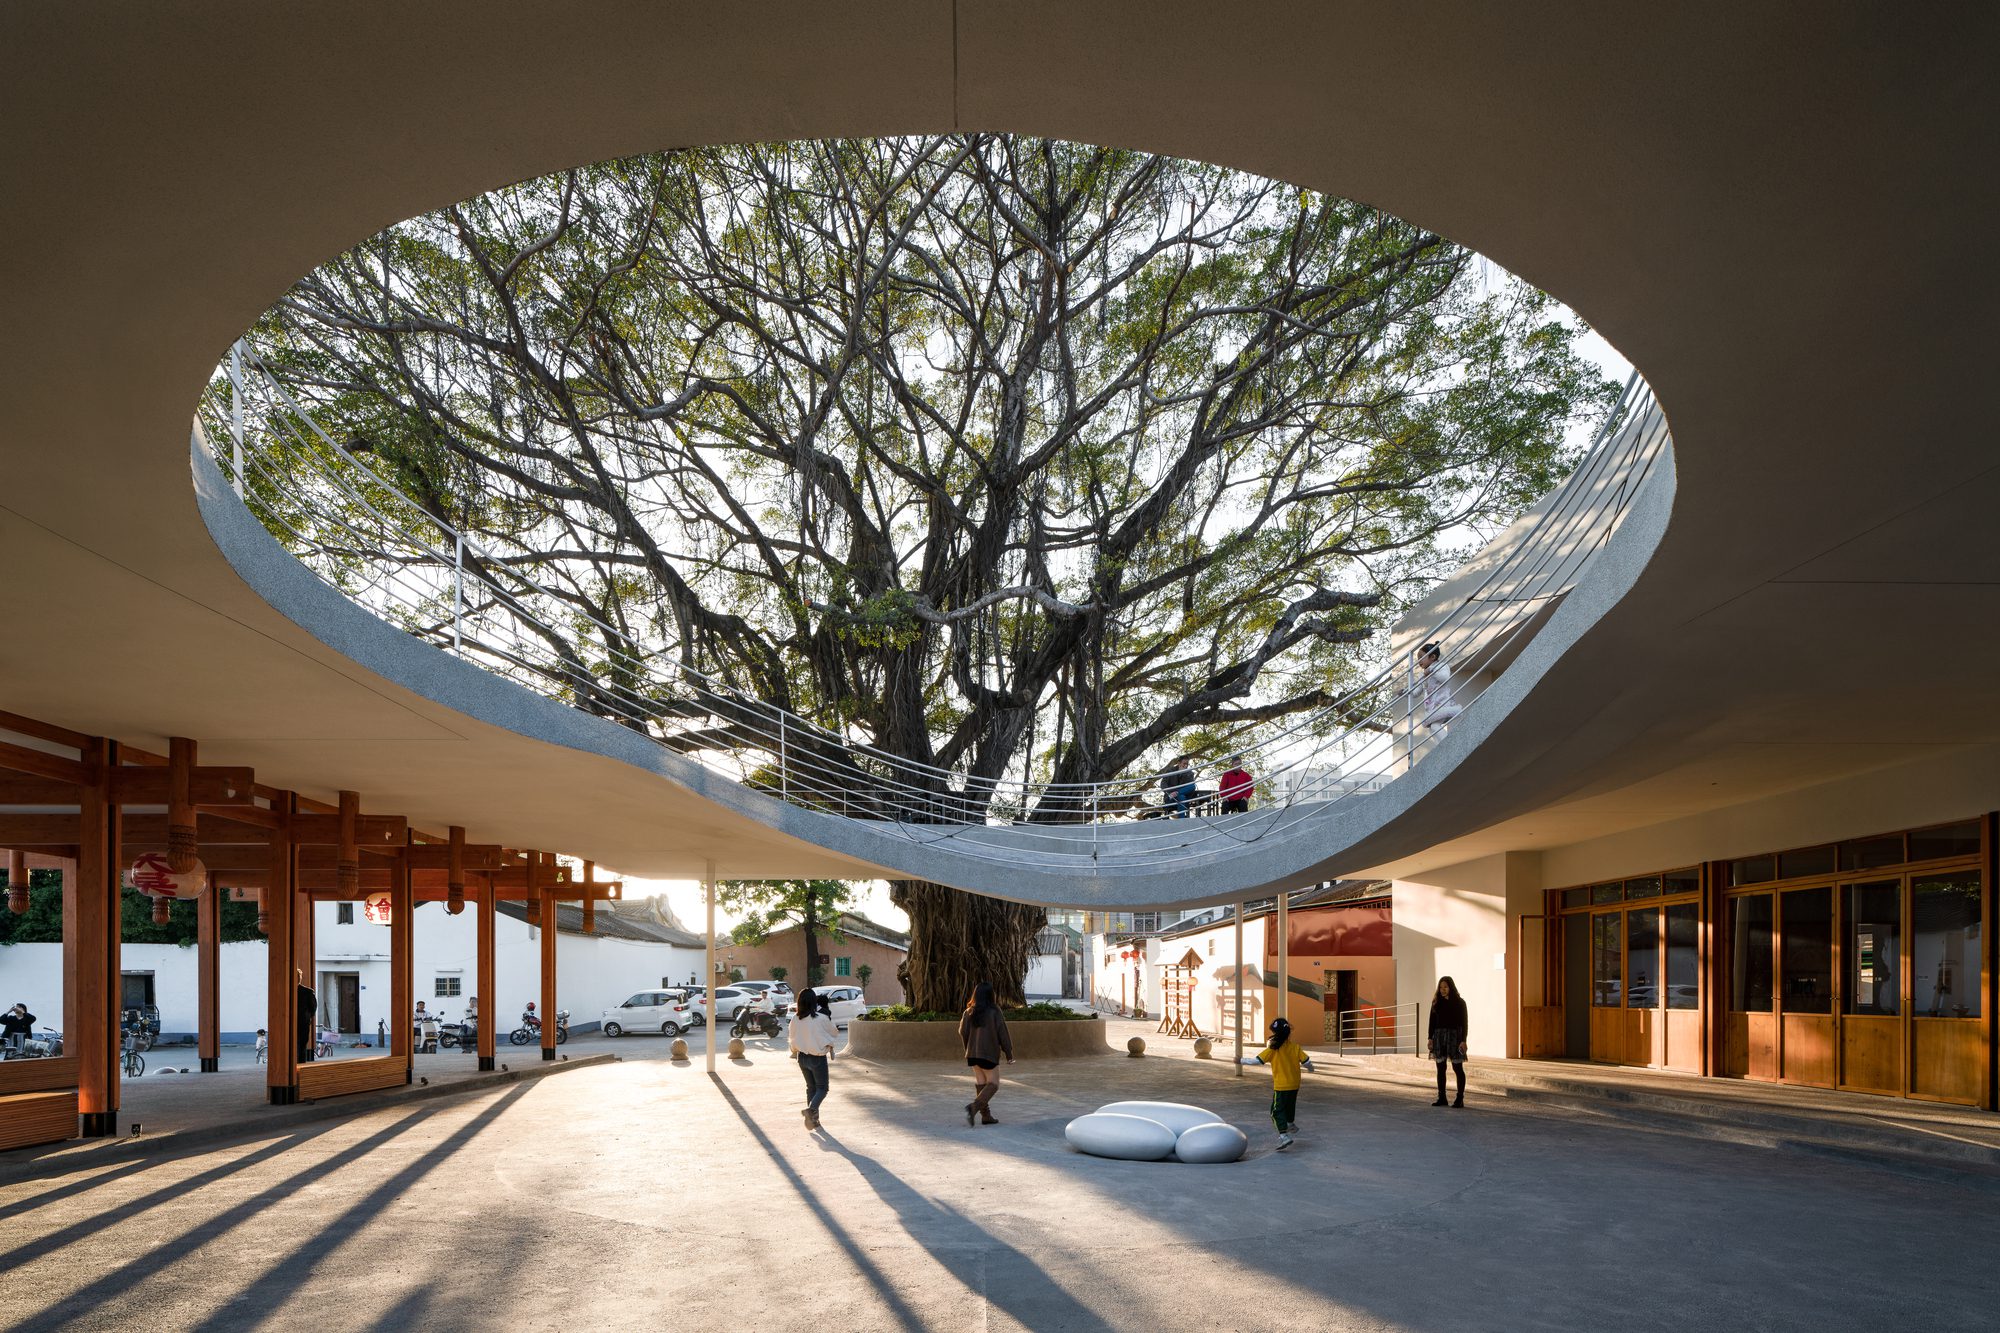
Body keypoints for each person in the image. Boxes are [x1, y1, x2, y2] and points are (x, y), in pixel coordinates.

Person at [1240, 1015, 1315, 1149]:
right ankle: (1291, 1123)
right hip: (1295, 1083)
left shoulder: (1273, 1050)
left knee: (1276, 1111)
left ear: (1275, 1034)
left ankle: (1284, 1136)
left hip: (1281, 1086)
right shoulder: (1295, 1047)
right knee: (1290, 1105)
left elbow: (1257, 1061)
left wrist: (1241, 1060)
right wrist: (1311, 1069)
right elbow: (1307, 1062)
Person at [957, 982, 1014, 1126]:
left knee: (981, 1084)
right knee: (993, 1084)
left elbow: (963, 1032)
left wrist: (968, 1049)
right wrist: (1008, 1053)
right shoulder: (994, 1011)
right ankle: (974, 1107)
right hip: (988, 1053)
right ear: (990, 995)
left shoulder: (968, 1012)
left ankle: (986, 1116)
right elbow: (1003, 1033)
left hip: (972, 1054)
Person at [788, 988, 840, 1130]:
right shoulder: (820, 1018)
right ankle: (811, 1111)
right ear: (814, 1002)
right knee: (822, 1088)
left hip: (801, 1057)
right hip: (817, 1058)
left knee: (811, 1088)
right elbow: (834, 1032)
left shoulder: (794, 1018)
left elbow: (791, 1037)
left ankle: (813, 1121)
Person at [1429, 975, 1468, 1107]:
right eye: (1440, 987)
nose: (1443, 990)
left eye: (1445, 987)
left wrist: (1463, 1040)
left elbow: (1464, 1023)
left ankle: (1459, 1099)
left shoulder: (1460, 1003)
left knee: (1457, 1068)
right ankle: (1442, 1097)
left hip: (1455, 1037)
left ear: (1451, 987)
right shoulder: (1436, 1002)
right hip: (1439, 1037)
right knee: (1440, 1068)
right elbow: (1432, 1022)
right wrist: (1430, 1038)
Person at [1417, 642, 1460, 731]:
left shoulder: (1441, 666)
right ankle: (1445, 744)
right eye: (1418, 659)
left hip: (1442, 702)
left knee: (1435, 726)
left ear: (1432, 657)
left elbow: (1444, 678)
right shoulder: (1423, 674)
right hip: (1432, 707)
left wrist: (1432, 671)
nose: (1418, 661)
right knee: (1433, 727)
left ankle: (1447, 744)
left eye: (1421, 657)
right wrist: (1405, 692)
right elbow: (1417, 691)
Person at [296, 969, 318, 1063]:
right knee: (300, 1043)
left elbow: (313, 1008)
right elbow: (313, 1008)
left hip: (302, 1022)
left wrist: (308, 1016)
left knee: (302, 1043)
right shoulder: (307, 992)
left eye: (298, 976)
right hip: (300, 1022)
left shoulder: (308, 992)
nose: (297, 978)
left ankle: (299, 1063)